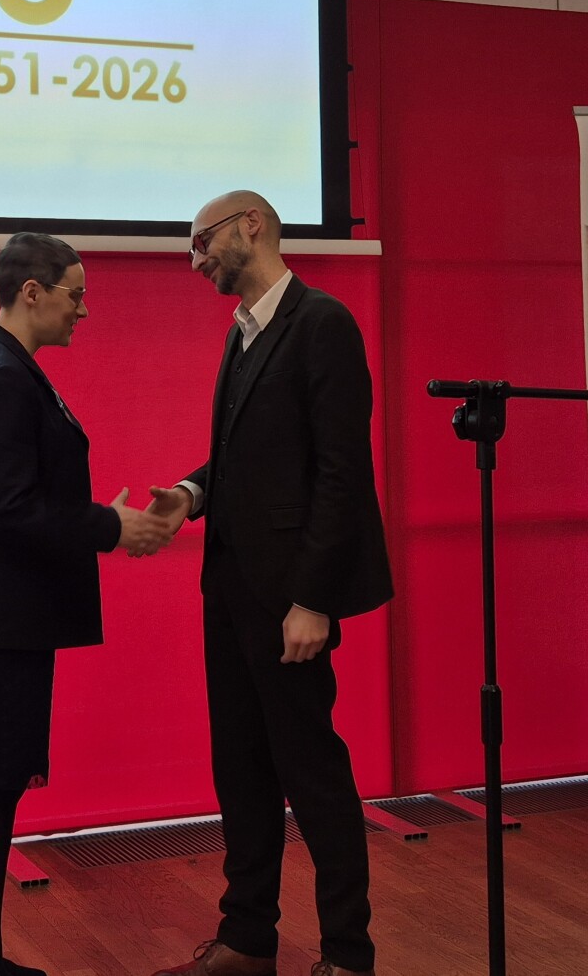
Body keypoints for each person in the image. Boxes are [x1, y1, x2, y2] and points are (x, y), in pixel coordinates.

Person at [145, 192, 392, 976]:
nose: (195, 259)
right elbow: (246, 457)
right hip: (232, 595)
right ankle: (248, 940)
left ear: (251, 224)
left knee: (313, 775)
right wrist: (191, 492)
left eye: (201, 241)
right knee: (242, 773)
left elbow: (341, 473)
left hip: (290, 601)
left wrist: (313, 599)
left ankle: (348, 954)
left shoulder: (323, 323)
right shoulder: (243, 332)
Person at [0, 232, 173, 976]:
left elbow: (15, 498)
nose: (84, 311)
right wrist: (110, 526)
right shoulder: (0, 373)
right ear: (32, 292)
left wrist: (100, 520)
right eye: (76, 294)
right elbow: (11, 508)